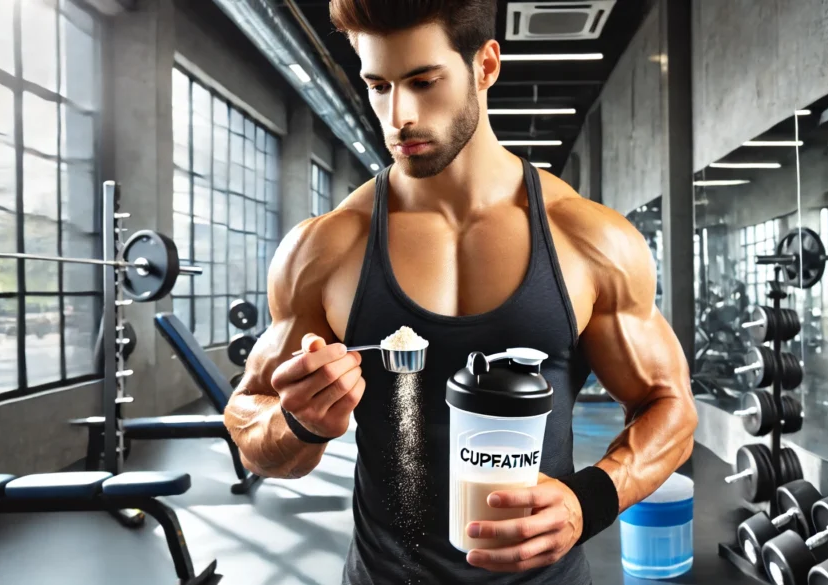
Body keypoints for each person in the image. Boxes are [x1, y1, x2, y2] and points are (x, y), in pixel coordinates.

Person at [224, 1, 697, 583]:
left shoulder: (586, 237)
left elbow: (670, 407)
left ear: (486, 66)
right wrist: (300, 423)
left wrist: (588, 500)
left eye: (423, 81)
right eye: (378, 86)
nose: (398, 115)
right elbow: (249, 427)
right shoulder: (326, 249)